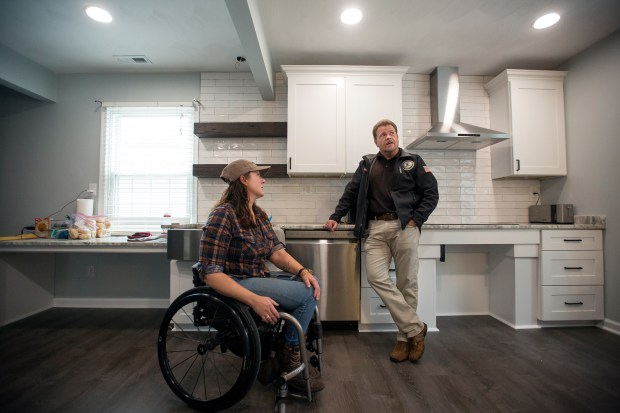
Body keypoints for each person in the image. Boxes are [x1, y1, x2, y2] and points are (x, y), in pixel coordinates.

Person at [199, 159, 324, 393]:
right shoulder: (223, 215)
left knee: (311, 282)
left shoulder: (257, 214)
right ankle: (290, 356)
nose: (264, 179)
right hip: (235, 283)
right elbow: (211, 274)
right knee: (308, 294)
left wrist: (303, 271)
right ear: (243, 180)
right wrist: (254, 300)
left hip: (255, 277)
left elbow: (276, 253)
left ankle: (285, 348)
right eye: (258, 175)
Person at [324, 119, 439, 363]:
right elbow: (351, 192)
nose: (388, 137)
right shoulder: (367, 164)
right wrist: (336, 216)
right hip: (375, 229)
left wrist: (415, 219)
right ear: (375, 141)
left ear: (397, 137)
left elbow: (431, 193)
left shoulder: (413, 162)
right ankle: (416, 328)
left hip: (403, 227)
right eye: (383, 134)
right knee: (376, 276)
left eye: (392, 133)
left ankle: (403, 338)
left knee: (407, 282)